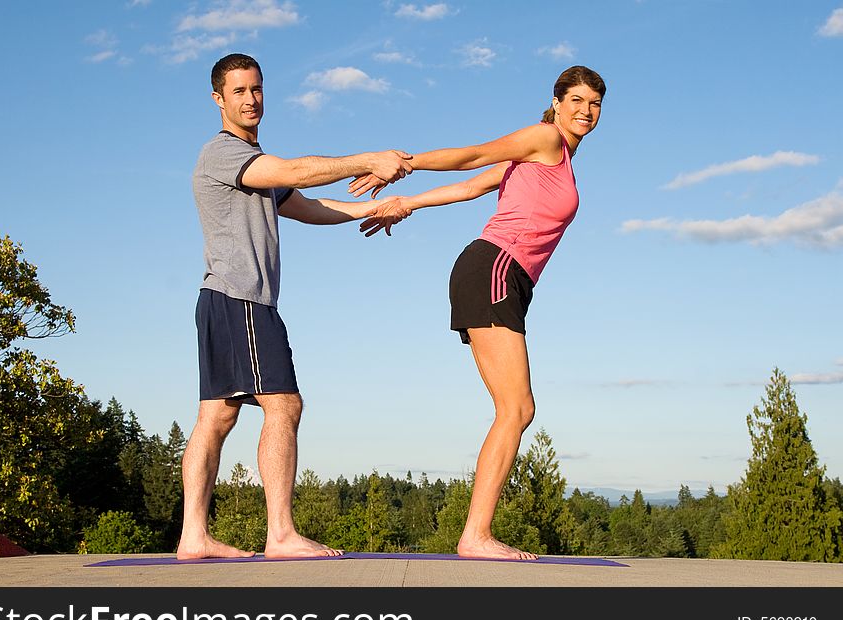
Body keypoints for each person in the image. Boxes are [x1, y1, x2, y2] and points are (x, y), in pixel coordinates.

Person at [355, 65, 606, 560]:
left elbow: (472, 187)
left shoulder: (548, 159)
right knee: (517, 409)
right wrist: (406, 164)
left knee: (515, 410)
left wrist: (408, 204)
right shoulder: (543, 139)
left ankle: (476, 533)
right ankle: (476, 535)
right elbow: (476, 155)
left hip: (505, 277)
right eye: (576, 99)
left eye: (595, 103)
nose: (585, 110)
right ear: (556, 103)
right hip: (495, 267)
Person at [177, 53, 411, 560]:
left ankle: (193, 536)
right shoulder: (222, 153)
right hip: (241, 299)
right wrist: (366, 159)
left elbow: (307, 206)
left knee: (215, 418)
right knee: (284, 405)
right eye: (238, 91)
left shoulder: (259, 166)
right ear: (218, 99)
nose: (251, 99)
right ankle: (280, 533)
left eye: (256, 89)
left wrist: (374, 206)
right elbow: (297, 170)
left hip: (224, 300)